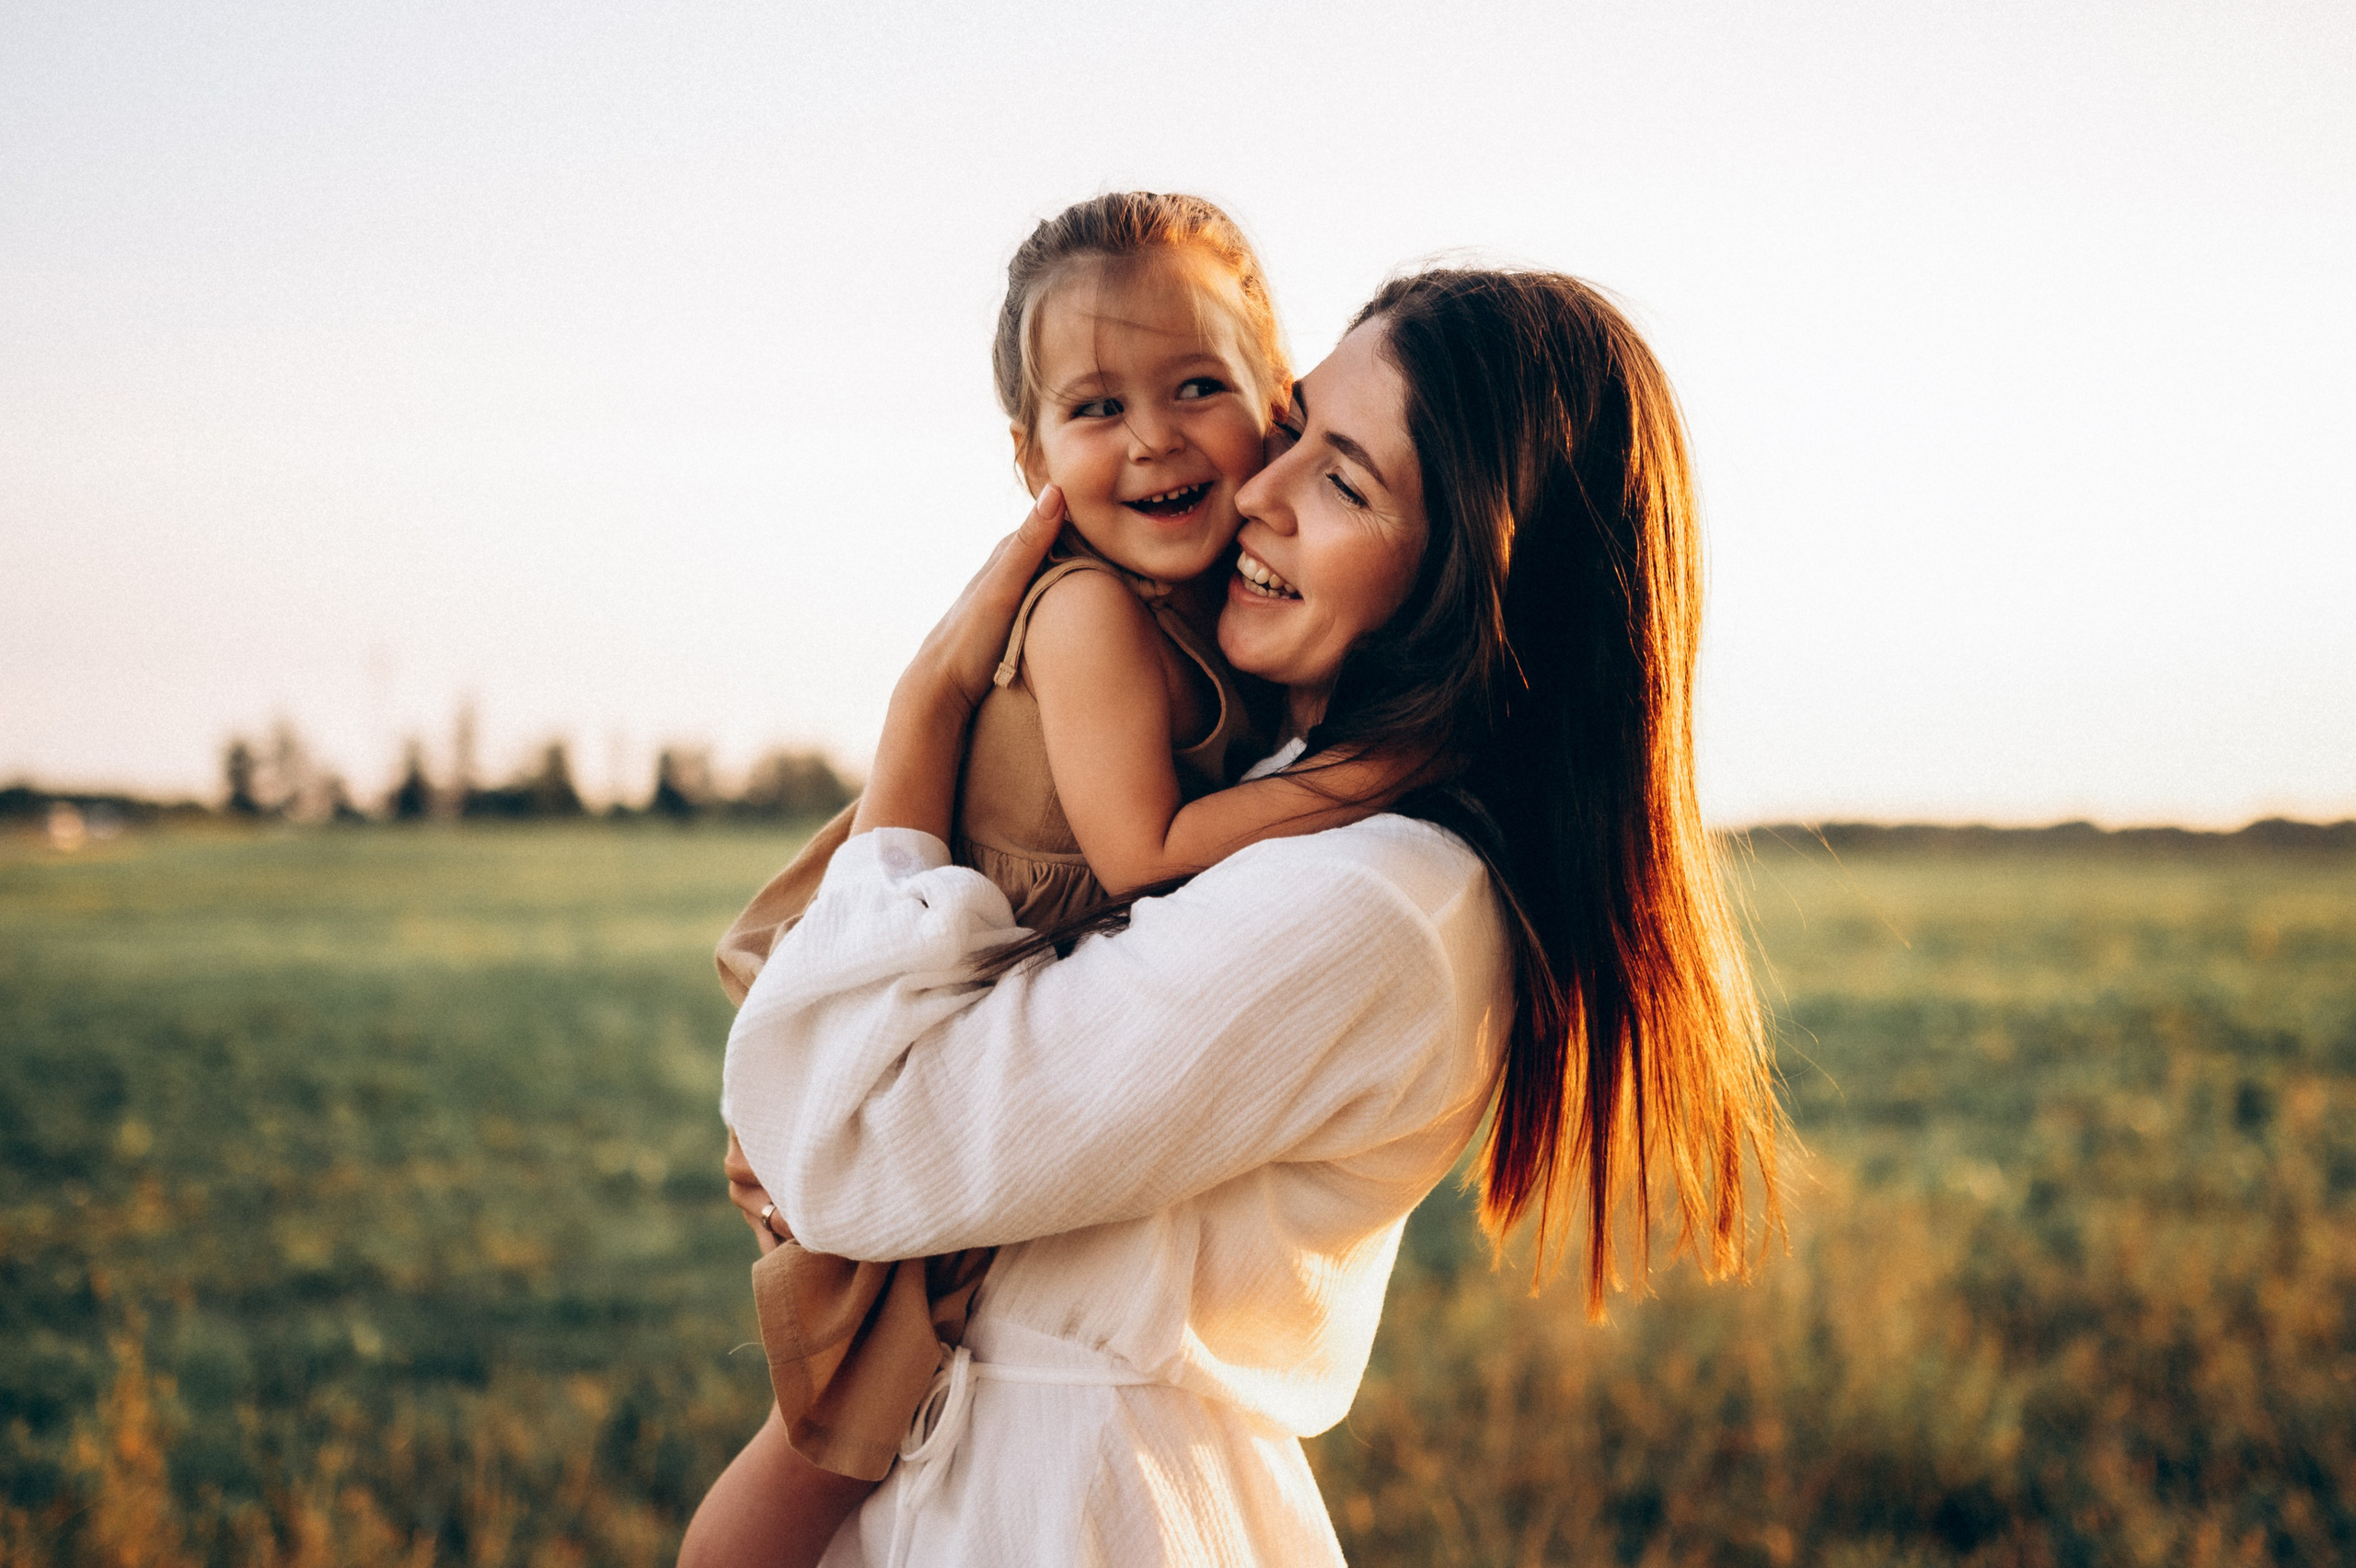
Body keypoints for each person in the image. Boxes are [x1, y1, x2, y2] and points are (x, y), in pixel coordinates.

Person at [690, 267, 1782, 1566]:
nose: (1259, 489)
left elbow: (851, 1152)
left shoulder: (1377, 896)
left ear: (1472, 579)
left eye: (1345, 483)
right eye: (1295, 427)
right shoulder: (1273, 787)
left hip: (1081, 1511)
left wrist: (926, 704)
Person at [687, 192, 1401, 1567]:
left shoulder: (1220, 613)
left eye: (1198, 387)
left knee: (915, 1381)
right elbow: (1143, 856)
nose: (1153, 437)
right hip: (907, 989)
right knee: (843, 1413)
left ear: (1278, 403)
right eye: (1096, 408)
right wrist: (1377, 774)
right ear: (1032, 457)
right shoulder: (1087, 612)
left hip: (983, 981)